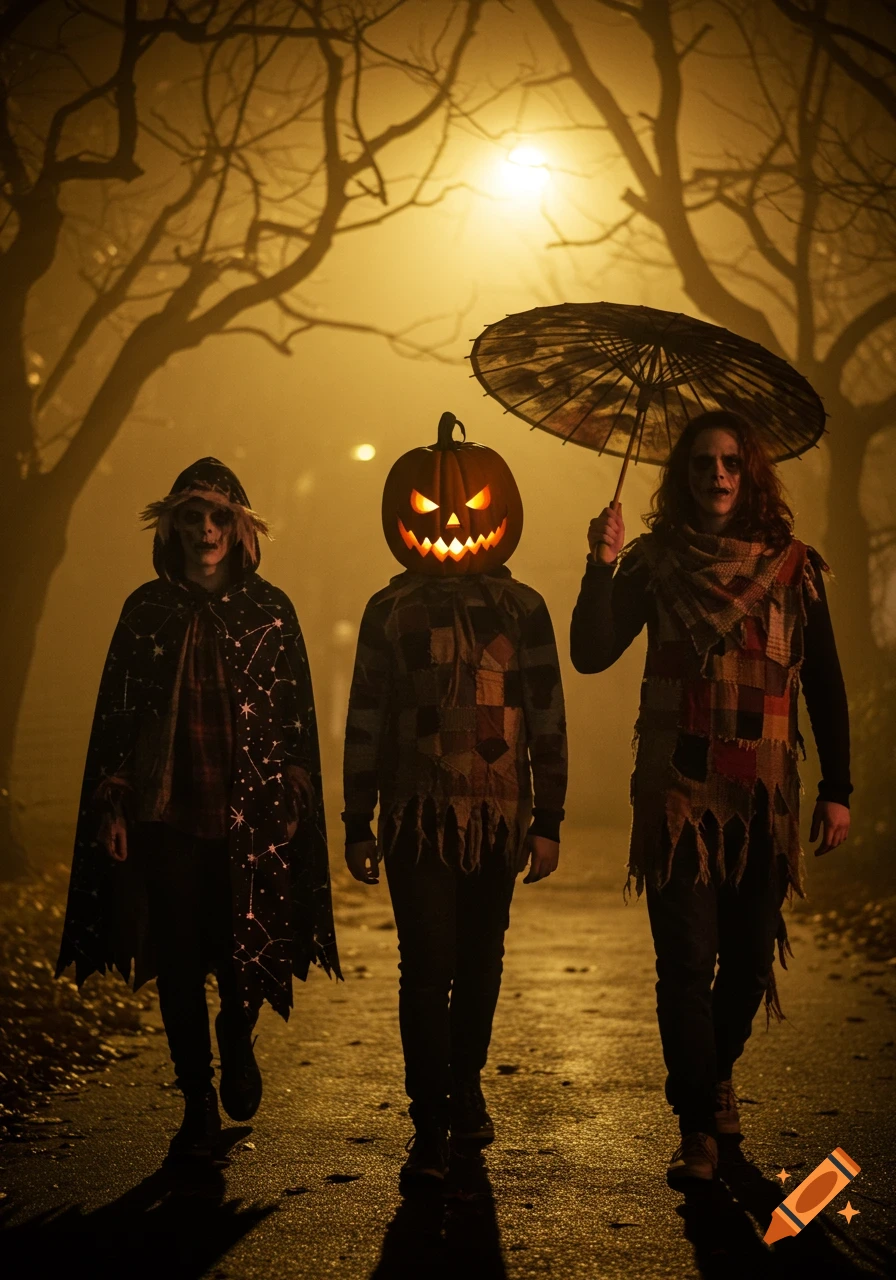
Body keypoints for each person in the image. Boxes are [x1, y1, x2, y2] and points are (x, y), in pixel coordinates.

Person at [570, 410, 851, 1183]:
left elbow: (823, 683)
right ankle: (696, 1125)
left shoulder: (795, 568)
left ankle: (713, 1073)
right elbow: (591, 653)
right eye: (702, 465)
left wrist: (837, 788)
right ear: (682, 478)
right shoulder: (653, 563)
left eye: (730, 462)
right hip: (678, 796)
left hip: (761, 796)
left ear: (749, 472)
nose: (717, 476)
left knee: (749, 962)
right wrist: (601, 563)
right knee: (685, 964)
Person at [57, 457, 340, 1160]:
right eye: (191, 517)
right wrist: (114, 807)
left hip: (246, 818)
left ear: (240, 528)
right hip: (167, 819)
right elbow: (117, 722)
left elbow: (295, 716)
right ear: (172, 526)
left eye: (218, 517)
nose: (205, 530)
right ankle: (196, 1103)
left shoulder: (270, 611)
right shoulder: (144, 611)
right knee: (179, 960)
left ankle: (238, 1039)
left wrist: (295, 793)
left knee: (240, 954)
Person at [342, 412, 567, 1189]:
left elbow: (547, 716)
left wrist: (550, 822)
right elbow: (365, 712)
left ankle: (463, 1081)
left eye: (468, 512)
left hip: (498, 818)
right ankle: (428, 1119)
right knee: (425, 963)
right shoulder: (390, 609)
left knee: (479, 960)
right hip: (415, 816)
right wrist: (356, 820)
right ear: (401, 519)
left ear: (500, 515)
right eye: (432, 512)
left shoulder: (524, 608)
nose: (449, 525)